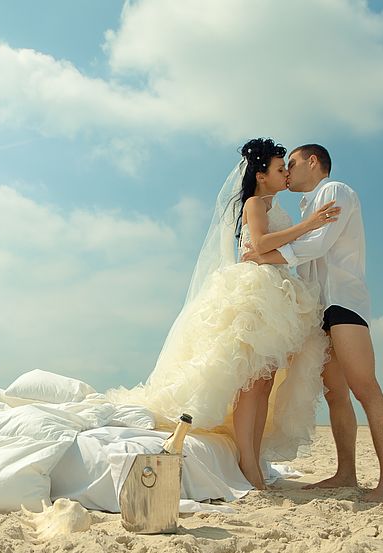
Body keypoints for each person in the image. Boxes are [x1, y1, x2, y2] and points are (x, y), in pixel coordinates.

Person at [105, 138, 339, 490]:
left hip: (278, 291)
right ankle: (248, 462)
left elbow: (273, 248)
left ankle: (253, 458)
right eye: (280, 169)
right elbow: (259, 245)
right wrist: (310, 225)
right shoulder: (256, 204)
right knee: (250, 384)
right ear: (261, 175)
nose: (286, 174)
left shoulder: (273, 204)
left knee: (263, 384)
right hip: (256, 293)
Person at [242, 144, 383, 501]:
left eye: (292, 165)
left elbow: (317, 245)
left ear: (313, 163)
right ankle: (346, 473)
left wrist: (265, 255)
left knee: (366, 389)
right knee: (336, 396)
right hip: (321, 308)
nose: (287, 173)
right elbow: (304, 258)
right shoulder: (304, 206)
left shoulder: (334, 191)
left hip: (344, 303)